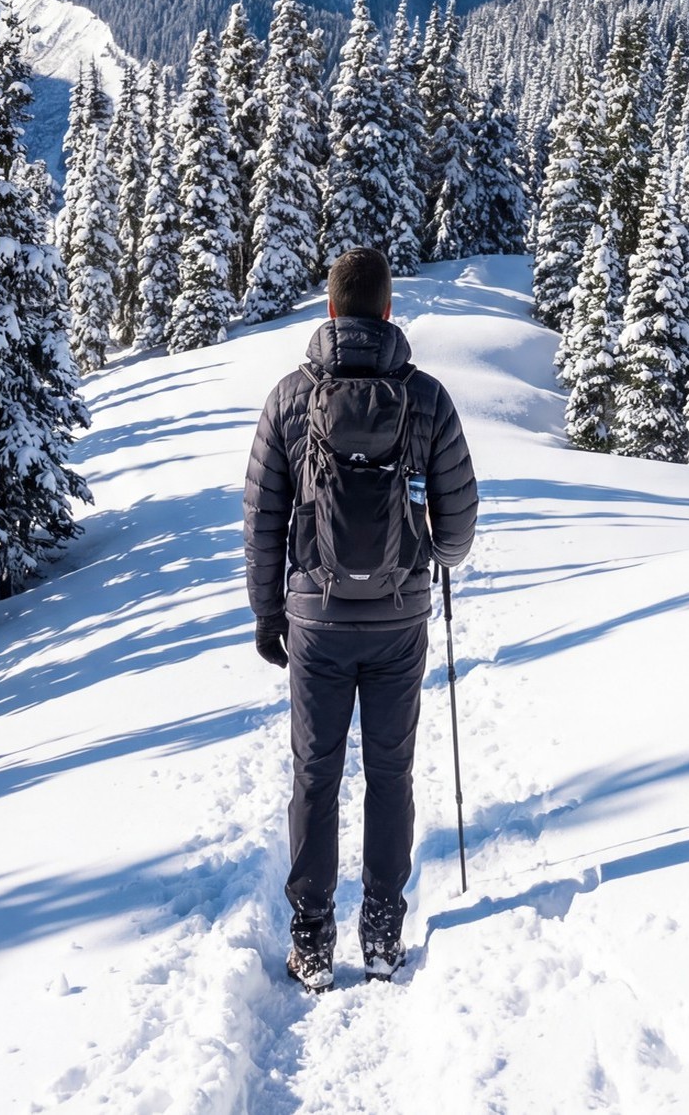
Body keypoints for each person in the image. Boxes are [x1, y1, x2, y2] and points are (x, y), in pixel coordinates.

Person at [243, 245, 478, 990]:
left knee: (315, 775)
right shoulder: (428, 398)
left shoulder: (288, 397)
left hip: (314, 621)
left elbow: (262, 517)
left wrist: (267, 611)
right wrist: (433, 549)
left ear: (331, 311)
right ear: (387, 312)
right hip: (399, 619)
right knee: (390, 772)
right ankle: (382, 930)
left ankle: (311, 941)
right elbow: (461, 523)